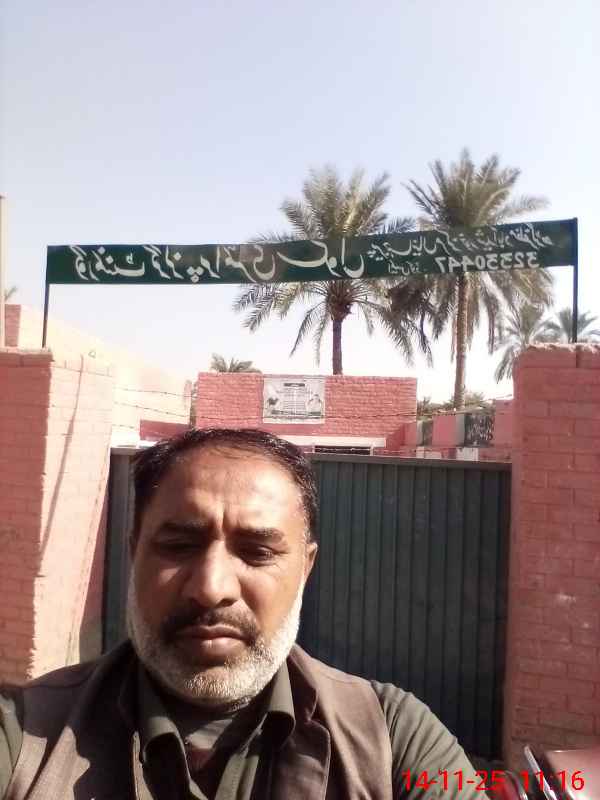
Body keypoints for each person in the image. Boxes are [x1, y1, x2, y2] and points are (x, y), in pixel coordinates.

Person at [0, 428, 488, 799]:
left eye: (257, 552)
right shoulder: (21, 736)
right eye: (178, 546)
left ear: (305, 569)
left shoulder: (396, 738)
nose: (211, 589)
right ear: (134, 555)